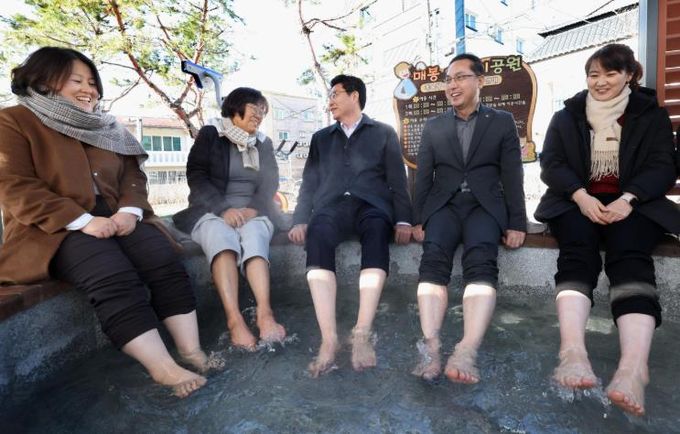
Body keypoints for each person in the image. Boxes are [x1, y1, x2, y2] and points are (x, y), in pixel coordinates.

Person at [0, 47, 208, 398]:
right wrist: (80, 220)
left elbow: (132, 175)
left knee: (163, 259)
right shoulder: (13, 120)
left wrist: (130, 211)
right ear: (43, 81)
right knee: (111, 273)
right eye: (76, 81)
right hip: (50, 229)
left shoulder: (108, 126)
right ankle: (164, 368)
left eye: (92, 82)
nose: (89, 90)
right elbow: (13, 185)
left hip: (116, 216)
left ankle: (191, 351)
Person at [534, 43, 680, 417]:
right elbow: (551, 164)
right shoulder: (568, 115)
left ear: (629, 75)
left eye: (610, 74)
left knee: (630, 253)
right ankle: (572, 352)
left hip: (635, 203)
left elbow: (664, 166)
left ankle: (634, 368)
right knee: (576, 250)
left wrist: (629, 198)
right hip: (575, 201)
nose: (599, 82)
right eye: (593, 74)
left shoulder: (650, 115)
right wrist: (581, 195)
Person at [411, 53, 526, 384]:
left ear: (480, 81)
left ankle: (467, 349)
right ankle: (432, 348)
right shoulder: (434, 125)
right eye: (448, 79)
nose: (452, 85)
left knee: (481, 260)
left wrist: (517, 222)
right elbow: (423, 176)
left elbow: (512, 174)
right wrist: (418, 219)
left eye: (460, 77)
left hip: (484, 206)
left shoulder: (501, 121)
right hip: (444, 205)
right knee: (433, 261)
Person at [288, 74, 412, 377]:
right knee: (318, 232)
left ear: (354, 96)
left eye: (335, 94)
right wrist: (300, 218)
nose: (330, 101)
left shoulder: (383, 133)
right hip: (331, 206)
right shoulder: (321, 138)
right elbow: (309, 183)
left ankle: (361, 333)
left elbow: (398, 180)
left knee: (377, 231)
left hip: (372, 206)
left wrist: (404, 219)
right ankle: (329, 339)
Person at [173, 87, 286, 351]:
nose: (259, 115)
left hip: (253, 211)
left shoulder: (263, 143)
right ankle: (234, 319)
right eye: (254, 108)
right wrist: (223, 209)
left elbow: (270, 182)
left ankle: (265, 313)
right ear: (235, 109)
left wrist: (253, 209)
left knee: (255, 235)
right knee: (220, 236)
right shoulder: (212, 134)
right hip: (211, 211)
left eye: (263, 111)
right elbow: (196, 175)